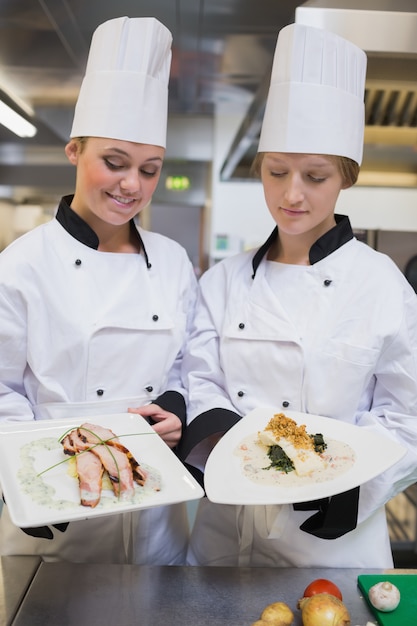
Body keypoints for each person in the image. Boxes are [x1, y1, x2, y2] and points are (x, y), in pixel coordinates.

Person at [179, 23, 417, 568]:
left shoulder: (383, 285)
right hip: (223, 536)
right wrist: (223, 447)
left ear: (345, 178)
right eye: (276, 171)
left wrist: (357, 489)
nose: (291, 194)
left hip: (332, 543)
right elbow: (201, 380)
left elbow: (408, 414)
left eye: (314, 176)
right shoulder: (223, 281)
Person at [0, 16, 198, 564]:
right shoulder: (22, 266)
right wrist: (28, 470)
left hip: (157, 520)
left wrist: (176, 405)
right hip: (55, 518)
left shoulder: (174, 262)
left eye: (149, 169)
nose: (131, 185)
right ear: (74, 151)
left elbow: (187, 363)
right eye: (113, 162)